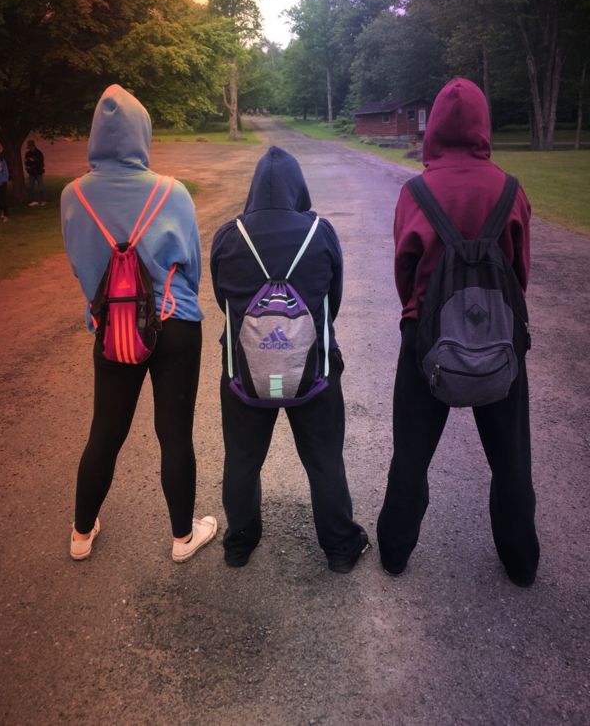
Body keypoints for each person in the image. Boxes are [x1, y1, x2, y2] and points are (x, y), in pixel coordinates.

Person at [377, 77, 540, 587]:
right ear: (483, 126)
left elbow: (404, 272)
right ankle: (521, 563)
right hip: (500, 336)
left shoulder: (415, 193)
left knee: (411, 455)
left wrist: (420, 312)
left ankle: (395, 553)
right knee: (511, 458)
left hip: (426, 337)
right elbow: (520, 274)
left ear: (435, 131)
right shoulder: (511, 190)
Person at [61, 84, 217, 562]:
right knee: (175, 433)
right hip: (174, 323)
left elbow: (82, 268)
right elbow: (192, 265)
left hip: (114, 329)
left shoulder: (72, 196)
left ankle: (81, 534)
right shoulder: (172, 192)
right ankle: (182, 538)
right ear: (141, 133)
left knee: (105, 432)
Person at [210, 146, 369, 572]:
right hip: (314, 369)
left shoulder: (229, 236)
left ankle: (239, 545)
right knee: (324, 462)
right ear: (298, 187)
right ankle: (340, 549)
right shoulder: (320, 232)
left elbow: (223, 300)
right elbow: (333, 302)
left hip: (244, 371)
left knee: (242, 461)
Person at [24, 139, 46, 205]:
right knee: (30, 187)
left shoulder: (39, 153)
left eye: (29, 146)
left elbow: (41, 163)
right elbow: (26, 162)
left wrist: (33, 161)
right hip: (31, 173)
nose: (29, 148)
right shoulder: (28, 153)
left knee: (41, 187)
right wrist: (28, 167)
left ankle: (43, 200)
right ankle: (32, 201)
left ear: (32, 146)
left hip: (38, 172)